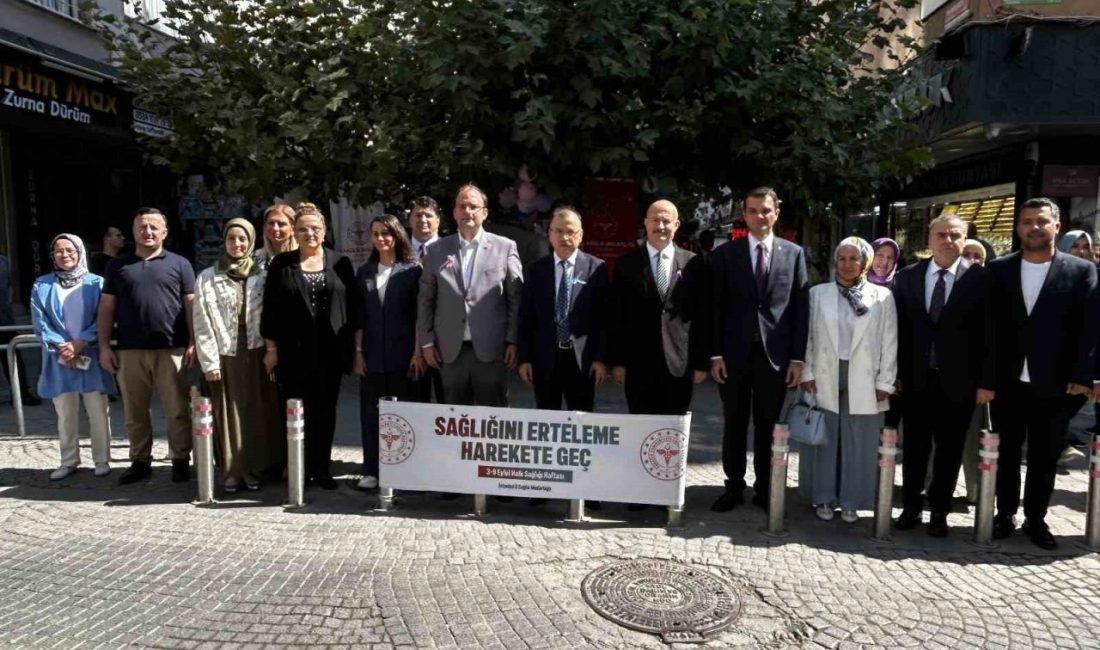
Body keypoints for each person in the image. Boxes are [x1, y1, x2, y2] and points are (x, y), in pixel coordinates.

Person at [989, 198, 1097, 550]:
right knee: (1005, 454)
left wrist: (1084, 375)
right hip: (1006, 382)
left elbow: (1090, 328)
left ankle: (1036, 519)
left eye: (1041, 221)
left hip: (1057, 382)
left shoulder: (1080, 271)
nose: (1034, 228)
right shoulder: (999, 269)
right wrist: (985, 380)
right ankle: (1004, 514)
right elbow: (987, 330)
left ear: (1057, 226)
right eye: (1026, 222)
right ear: (1017, 228)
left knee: (1044, 455)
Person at [892, 215, 994, 537]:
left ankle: (939, 512)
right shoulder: (908, 277)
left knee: (949, 451)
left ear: (965, 240)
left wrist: (987, 382)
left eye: (955, 235)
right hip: (915, 379)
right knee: (915, 448)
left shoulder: (981, 279)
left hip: (959, 384)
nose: (948, 240)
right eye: (941, 234)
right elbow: (898, 331)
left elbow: (991, 335)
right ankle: (910, 507)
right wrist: (893, 374)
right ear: (929, 238)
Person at [710, 187, 809, 512]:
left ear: (776, 212)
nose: (759, 216)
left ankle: (766, 489)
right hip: (733, 355)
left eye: (765, 210)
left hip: (776, 357)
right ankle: (733, 487)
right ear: (744, 213)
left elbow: (799, 308)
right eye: (753, 211)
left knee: (768, 425)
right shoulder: (726, 255)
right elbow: (715, 308)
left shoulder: (794, 254)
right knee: (734, 423)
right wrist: (715, 354)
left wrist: (797, 358)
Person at [798, 237, 897, 523]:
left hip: (865, 376)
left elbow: (890, 341)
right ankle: (824, 497)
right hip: (825, 372)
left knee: (859, 440)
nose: (848, 264)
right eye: (842, 258)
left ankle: (853, 500)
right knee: (824, 437)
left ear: (865, 262)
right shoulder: (818, 294)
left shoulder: (882, 296)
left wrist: (885, 382)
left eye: (854, 258)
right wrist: (807, 372)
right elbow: (808, 336)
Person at [261, 203, 358, 490]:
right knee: (293, 411)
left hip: (330, 353)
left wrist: (354, 349)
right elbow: (271, 309)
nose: (309, 233)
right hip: (293, 353)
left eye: (315, 228)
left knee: (325, 412)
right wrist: (271, 348)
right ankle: (297, 466)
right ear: (295, 232)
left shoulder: (340, 262)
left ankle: (321, 468)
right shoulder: (282, 264)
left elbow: (352, 308)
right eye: (303, 229)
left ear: (325, 230)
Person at [98, 207, 197, 485]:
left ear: (164, 232)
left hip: (172, 348)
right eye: (142, 227)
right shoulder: (117, 266)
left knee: (177, 409)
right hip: (130, 351)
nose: (148, 231)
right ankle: (140, 460)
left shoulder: (180, 264)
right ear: (134, 232)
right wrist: (104, 346)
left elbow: (191, 306)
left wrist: (193, 342)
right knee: (134, 410)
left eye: (154, 227)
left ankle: (180, 460)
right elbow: (107, 308)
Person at [193, 218, 282, 492]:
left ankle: (253, 468)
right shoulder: (208, 277)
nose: (237, 244)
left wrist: (271, 350)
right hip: (225, 353)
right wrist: (209, 361)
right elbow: (202, 321)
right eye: (232, 239)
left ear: (251, 240)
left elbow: (272, 317)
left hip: (256, 352)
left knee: (254, 411)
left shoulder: (262, 275)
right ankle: (233, 471)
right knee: (227, 412)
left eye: (242, 239)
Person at [417, 184, 523, 407]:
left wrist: (513, 339)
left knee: (492, 420)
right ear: (454, 212)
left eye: (473, 206)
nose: (467, 211)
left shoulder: (505, 247)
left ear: (484, 212)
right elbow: (425, 300)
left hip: (492, 350)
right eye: (462, 206)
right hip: (450, 351)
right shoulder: (436, 250)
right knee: (454, 421)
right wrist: (426, 342)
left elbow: (515, 299)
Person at [609, 200, 708, 416]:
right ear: (645, 223)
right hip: (638, 365)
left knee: (672, 435)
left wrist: (701, 363)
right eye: (655, 220)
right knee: (640, 433)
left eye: (666, 221)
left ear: (677, 224)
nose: (660, 226)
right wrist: (617, 362)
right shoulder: (626, 264)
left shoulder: (693, 264)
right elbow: (617, 316)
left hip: (679, 365)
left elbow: (701, 316)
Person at [31, 234, 116, 480]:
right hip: (60, 359)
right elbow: (40, 322)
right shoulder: (42, 285)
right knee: (65, 413)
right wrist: (62, 346)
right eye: (58, 251)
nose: (65, 255)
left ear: (80, 253)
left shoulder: (96, 283)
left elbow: (104, 317)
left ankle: (102, 459)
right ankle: (68, 460)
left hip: (89, 355)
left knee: (98, 411)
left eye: (70, 250)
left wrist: (80, 343)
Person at [353, 214, 423, 491]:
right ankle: (371, 469)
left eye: (386, 233)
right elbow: (359, 317)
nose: (381, 239)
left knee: (404, 414)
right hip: (371, 354)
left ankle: (407, 469)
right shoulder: (365, 272)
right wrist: (357, 352)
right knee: (371, 414)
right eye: (376, 234)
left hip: (403, 354)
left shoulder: (412, 270)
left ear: (397, 235)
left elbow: (419, 317)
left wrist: (418, 351)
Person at [518, 206, 609, 413]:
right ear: (549, 234)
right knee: (547, 421)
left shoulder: (596, 268)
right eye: (558, 231)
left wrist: (600, 359)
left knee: (581, 422)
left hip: (581, 361)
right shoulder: (535, 270)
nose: (564, 237)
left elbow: (603, 318)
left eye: (570, 231)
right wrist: (525, 359)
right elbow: (526, 317)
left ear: (581, 235)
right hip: (545, 359)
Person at [407, 196, 445, 404]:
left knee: (446, 405)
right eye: (418, 215)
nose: (423, 220)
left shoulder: (452, 250)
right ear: (410, 219)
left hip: (445, 341)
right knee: (414, 406)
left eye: (428, 215)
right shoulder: (398, 252)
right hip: (407, 342)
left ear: (438, 220)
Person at [867, 237, 902, 430]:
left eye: (890, 257)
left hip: (890, 372)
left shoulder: (899, 287)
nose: (884, 261)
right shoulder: (854, 284)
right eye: (879, 255)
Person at [0, 252, 39, 406]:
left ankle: (21, 392)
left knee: (12, 355)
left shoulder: (3, 261)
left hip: (4, 318)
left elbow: (9, 287)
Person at [251, 204, 298, 270]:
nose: (275, 228)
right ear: (264, 226)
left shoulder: (303, 257)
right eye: (271, 223)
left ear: (293, 228)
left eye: (281, 224)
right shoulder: (254, 258)